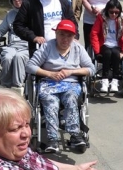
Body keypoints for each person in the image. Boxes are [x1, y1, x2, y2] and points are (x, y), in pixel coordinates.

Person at [25, 20, 94, 152]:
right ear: (56, 34)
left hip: (71, 83)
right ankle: (53, 139)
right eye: (62, 34)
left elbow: (91, 69)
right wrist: (49, 74)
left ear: (74, 37)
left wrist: (71, 71)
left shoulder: (78, 48)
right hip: (48, 83)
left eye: (69, 36)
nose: (65, 39)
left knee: (71, 98)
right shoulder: (47, 47)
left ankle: (75, 135)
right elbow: (30, 66)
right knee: (51, 101)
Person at [13, 0, 77, 57]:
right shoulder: (29, 4)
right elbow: (17, 26)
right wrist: (33, 37)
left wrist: (75, 37)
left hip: (63, 50)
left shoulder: (63, 3)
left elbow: (73, 23)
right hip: (41, 51)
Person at [90, 0, 123, 93]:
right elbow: (94, 34)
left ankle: (115, 80)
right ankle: (105, 80)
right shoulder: (101, 18)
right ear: (107, 10)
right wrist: (97, 51)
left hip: (117, 44)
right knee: (107, 53)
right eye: (111, 12)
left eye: (116, 12)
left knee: (115, 53)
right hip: (104, 44)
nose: (114, 14)